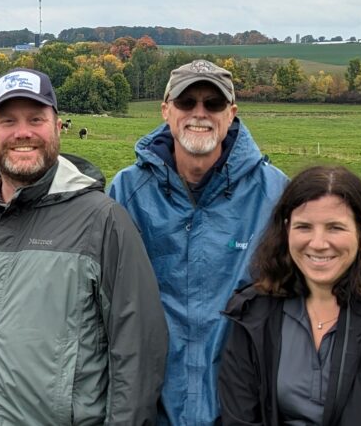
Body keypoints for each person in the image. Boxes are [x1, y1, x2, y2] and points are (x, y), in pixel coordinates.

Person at [0, 68, 167, 426]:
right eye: (7, 120)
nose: (22, 133)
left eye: (36, 119)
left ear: (57, 126)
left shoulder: (103, 221)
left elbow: (139, 353)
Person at [108, 59, 287, 425]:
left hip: (243, 405)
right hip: (151, 406)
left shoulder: (274, 193)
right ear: (166, 110)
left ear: (232, 113)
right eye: (187, 103)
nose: (199, 113)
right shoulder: (126, 192)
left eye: (213, 104)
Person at [219, 165, 361, 425]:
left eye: (335, 228)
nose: (318, 243)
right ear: (286, 231)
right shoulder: (253, 313)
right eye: (304, 227)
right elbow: (239, 417)